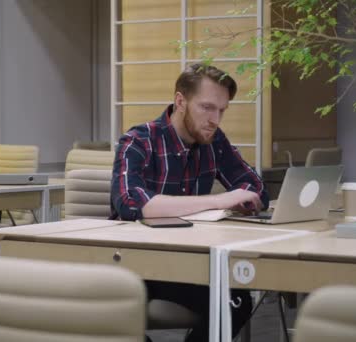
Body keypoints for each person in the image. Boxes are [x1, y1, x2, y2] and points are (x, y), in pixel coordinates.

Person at [110, 63, 269, 341]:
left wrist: (245, 200)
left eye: (221, 110)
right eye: (207, 107)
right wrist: (220, 199)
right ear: (180, 101)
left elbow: (256, 189)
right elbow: (131, 203)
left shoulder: (214, 141)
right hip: (133, 263)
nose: (215, 119)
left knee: (237, 301)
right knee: (116, 320)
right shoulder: (138, 141)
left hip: (185, 263)